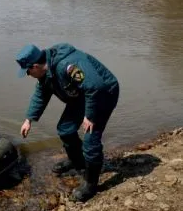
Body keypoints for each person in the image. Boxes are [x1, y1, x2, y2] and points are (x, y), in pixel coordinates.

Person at [16, 43, 119, 202]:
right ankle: (77, 161)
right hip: (82, 95)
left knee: (90, 139)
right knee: (65, 129)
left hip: (103, 93)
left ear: (35, 66)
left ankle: (90, 185)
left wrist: (90, 116)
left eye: (28, 71)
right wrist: (28, 119)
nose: (28, 75)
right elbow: (41, 94)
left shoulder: (66, 65)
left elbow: (95, 86)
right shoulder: (46, 72)